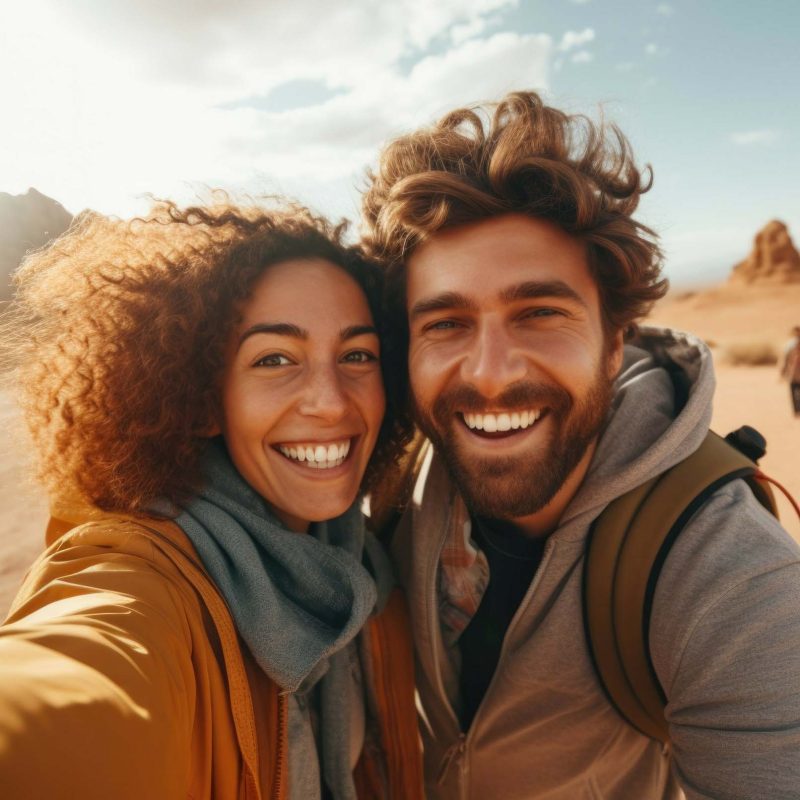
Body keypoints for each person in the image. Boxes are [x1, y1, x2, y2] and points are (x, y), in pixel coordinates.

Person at [362, 91, 800, 799]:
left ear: (613, 343)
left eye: (539, 313)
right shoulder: (391, 474)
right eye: (445, 324)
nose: (490, 373)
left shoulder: (731, 579)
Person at [0, 201, 423, 799]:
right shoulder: (144, 584)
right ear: (199, 400)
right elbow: (69, 687)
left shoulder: (361, 566)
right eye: (274, 359)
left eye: (357, 355)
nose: (331, 402)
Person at [781, 325, 800, 416]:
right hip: (793, 372)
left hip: (795, 373)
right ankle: (796, 410)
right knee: (793, 391)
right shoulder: (790, 345)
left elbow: (785, 359)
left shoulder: (790, 345)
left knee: (794, 391)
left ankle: (797, 410)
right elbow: (785, 359)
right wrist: (783, 371)